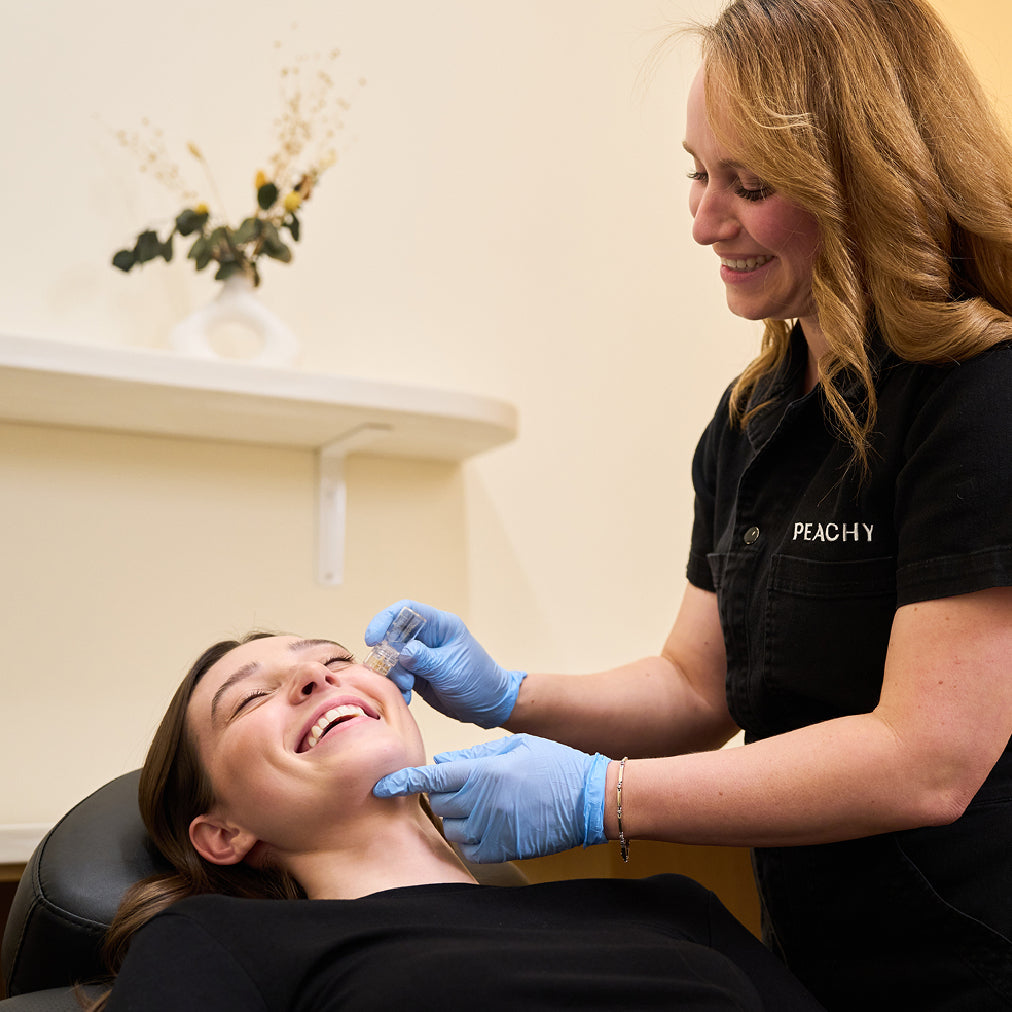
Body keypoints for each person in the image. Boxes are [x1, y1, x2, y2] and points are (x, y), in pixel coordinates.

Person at [367, 1, 1012, 1009]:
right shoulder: (754, 412)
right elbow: (695, 689)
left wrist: (600, 798)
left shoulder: (980, 394)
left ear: (872, 182)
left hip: (968, 960)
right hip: (807, 955)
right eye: (697, 173)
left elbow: (926, 758)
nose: (705, 221)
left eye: (749, 187)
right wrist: (508, 695)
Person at [91, 631, 825, 1011]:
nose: (318, 677)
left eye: (337, 659)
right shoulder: (220, 944)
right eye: (251, 699)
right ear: (222, 834)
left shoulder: (666, 907)